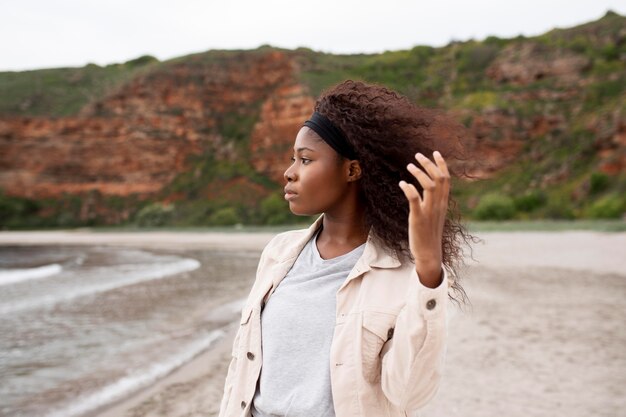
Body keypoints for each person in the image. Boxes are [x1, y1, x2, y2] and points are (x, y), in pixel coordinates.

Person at [218, 80, 473, 417]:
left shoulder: (409, 274)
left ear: (352, 170)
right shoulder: (278, 253)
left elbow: (409, 393)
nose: (289, 173)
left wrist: (428, 267)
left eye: (306, 160)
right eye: (293, 159)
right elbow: (242, 371)